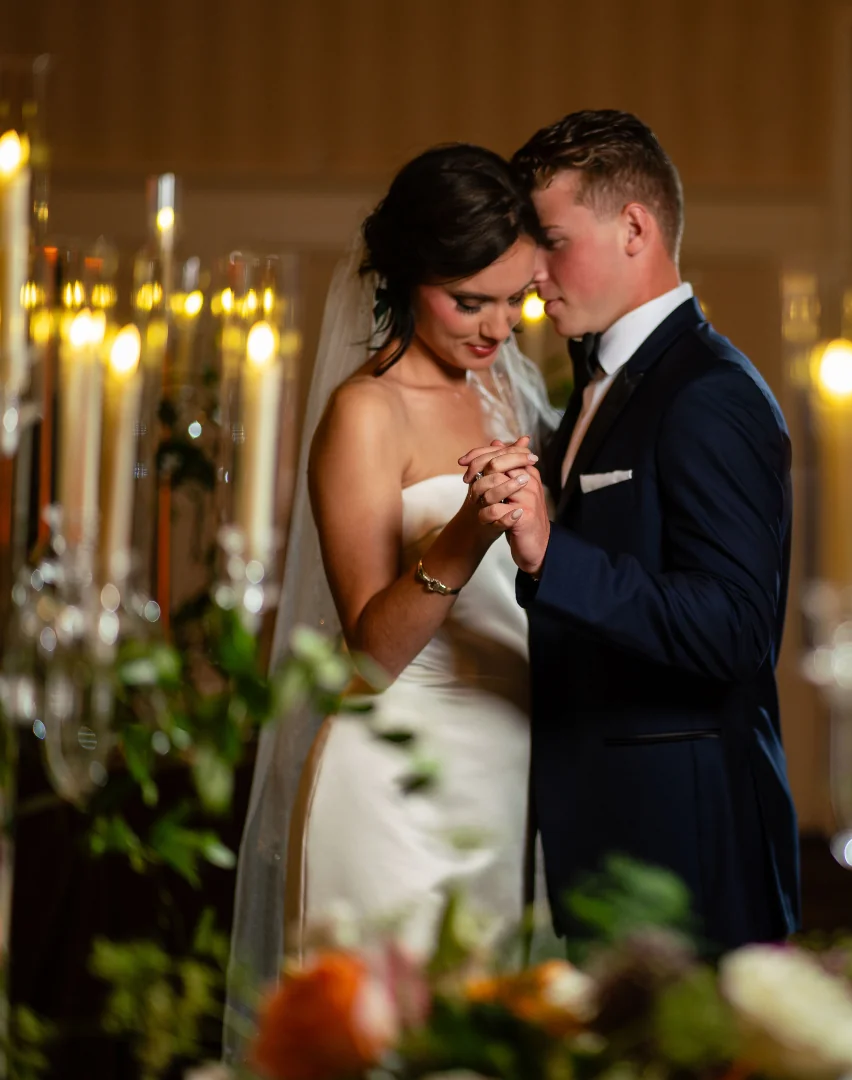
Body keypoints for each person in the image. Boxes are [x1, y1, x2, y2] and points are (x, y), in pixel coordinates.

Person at [224, 144, 558, 1060]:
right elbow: (370, 656)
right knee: (384, 1046)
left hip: (506, 767)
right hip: (396, 779)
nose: (497, 326)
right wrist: (465, 534)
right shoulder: (367, 412)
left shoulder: (509, 389)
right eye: (469, 299)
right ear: (411, 275)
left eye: (514, 297)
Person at [462, 110, 801, 954]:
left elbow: (736, 629)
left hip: (685, 853)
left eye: (551, 239)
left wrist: (551, 553)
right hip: (597, 844)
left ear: (635, 227)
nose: (532, 271)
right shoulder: (595, 382)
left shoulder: (708, 392)